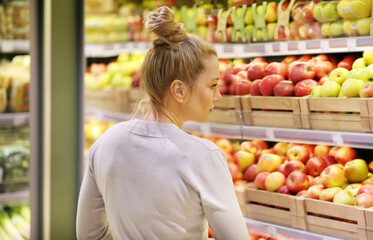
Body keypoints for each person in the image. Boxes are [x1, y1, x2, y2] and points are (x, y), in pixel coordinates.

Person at [76, 6, 249, 240]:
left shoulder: (106, 142)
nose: (217, 96)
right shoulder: (203, 156)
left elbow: (89, 234)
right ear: (179, 90)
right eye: (212, 85)